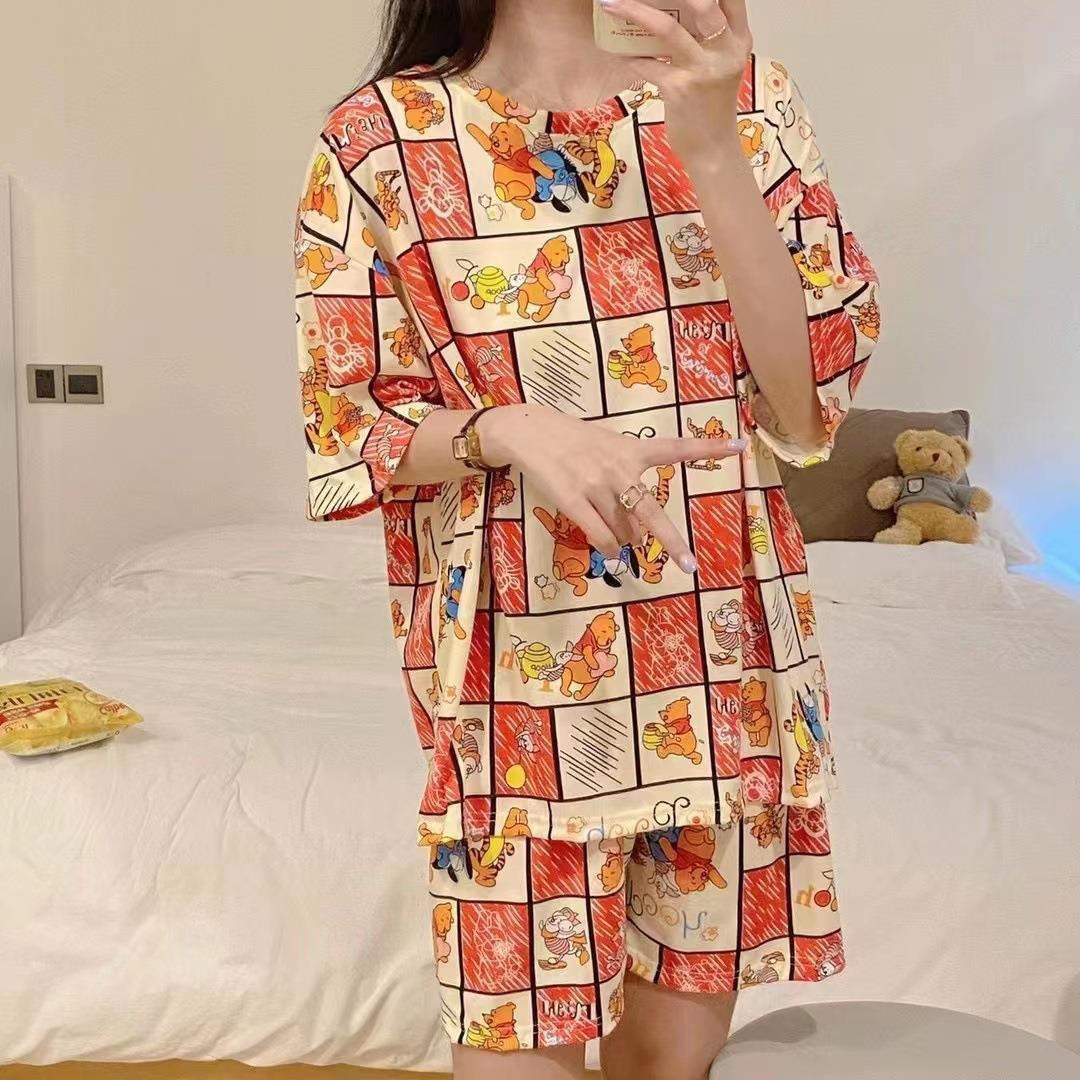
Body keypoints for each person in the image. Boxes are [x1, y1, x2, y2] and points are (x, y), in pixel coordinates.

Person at [293, 0, 881, 1076]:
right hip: (518, 684)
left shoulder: (746, 96)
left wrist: (710, 141)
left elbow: (804, 413)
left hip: (717, 656)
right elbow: (352, 424)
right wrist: (508, 427)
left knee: (669, 1067)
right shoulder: (381, 136)